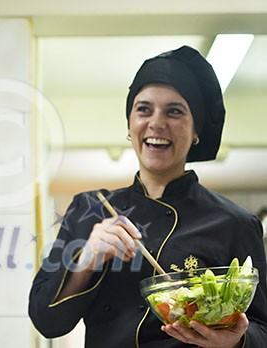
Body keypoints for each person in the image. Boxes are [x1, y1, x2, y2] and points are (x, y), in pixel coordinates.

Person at [29, 46, 267, 347]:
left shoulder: (235, 223)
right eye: (144, 109)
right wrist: (88, 258)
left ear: (196, 131)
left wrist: (236, 341)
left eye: (174, 111)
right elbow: (45, 320)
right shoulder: (91, 210)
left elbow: (263, 329)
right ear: (130, 124)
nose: (156, 122)